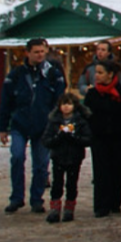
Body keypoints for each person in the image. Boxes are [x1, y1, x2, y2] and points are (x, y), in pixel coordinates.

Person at [0, 38, 68, 214]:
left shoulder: (53, 74)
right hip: (20, 123)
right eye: (36, 52)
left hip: (43, 125)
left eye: (42, 51)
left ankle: (37, 199)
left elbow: (59, 100)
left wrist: (57, 122)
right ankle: (16, 198)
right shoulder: (15, 75)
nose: (40, 55)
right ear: (27, 53)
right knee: (16, 157)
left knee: (41, 164)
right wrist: (2, 127)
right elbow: (5, 102)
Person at [83, 58, 121, 217]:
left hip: (118, 137)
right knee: (100, 171)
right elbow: (85, 116)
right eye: (96, 72)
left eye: (100, 73)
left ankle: (115, 202)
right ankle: (101, 205)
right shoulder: (92, 94)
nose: (96, 76)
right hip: (99, 137)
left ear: (110, 75)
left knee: (117, 169)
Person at [41, 92, 92, 223]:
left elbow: (88, 139)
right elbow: (46, 140)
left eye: (69, 104)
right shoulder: (54, 121)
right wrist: (58, 137)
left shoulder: (80, 121)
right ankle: (55, 209)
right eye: (64, 104)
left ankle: (69, 209)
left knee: (71, 184)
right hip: (58, 157)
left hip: (75, 157)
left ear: (75, 106)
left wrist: (74, 137)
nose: (66, 107)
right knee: (57, 184)